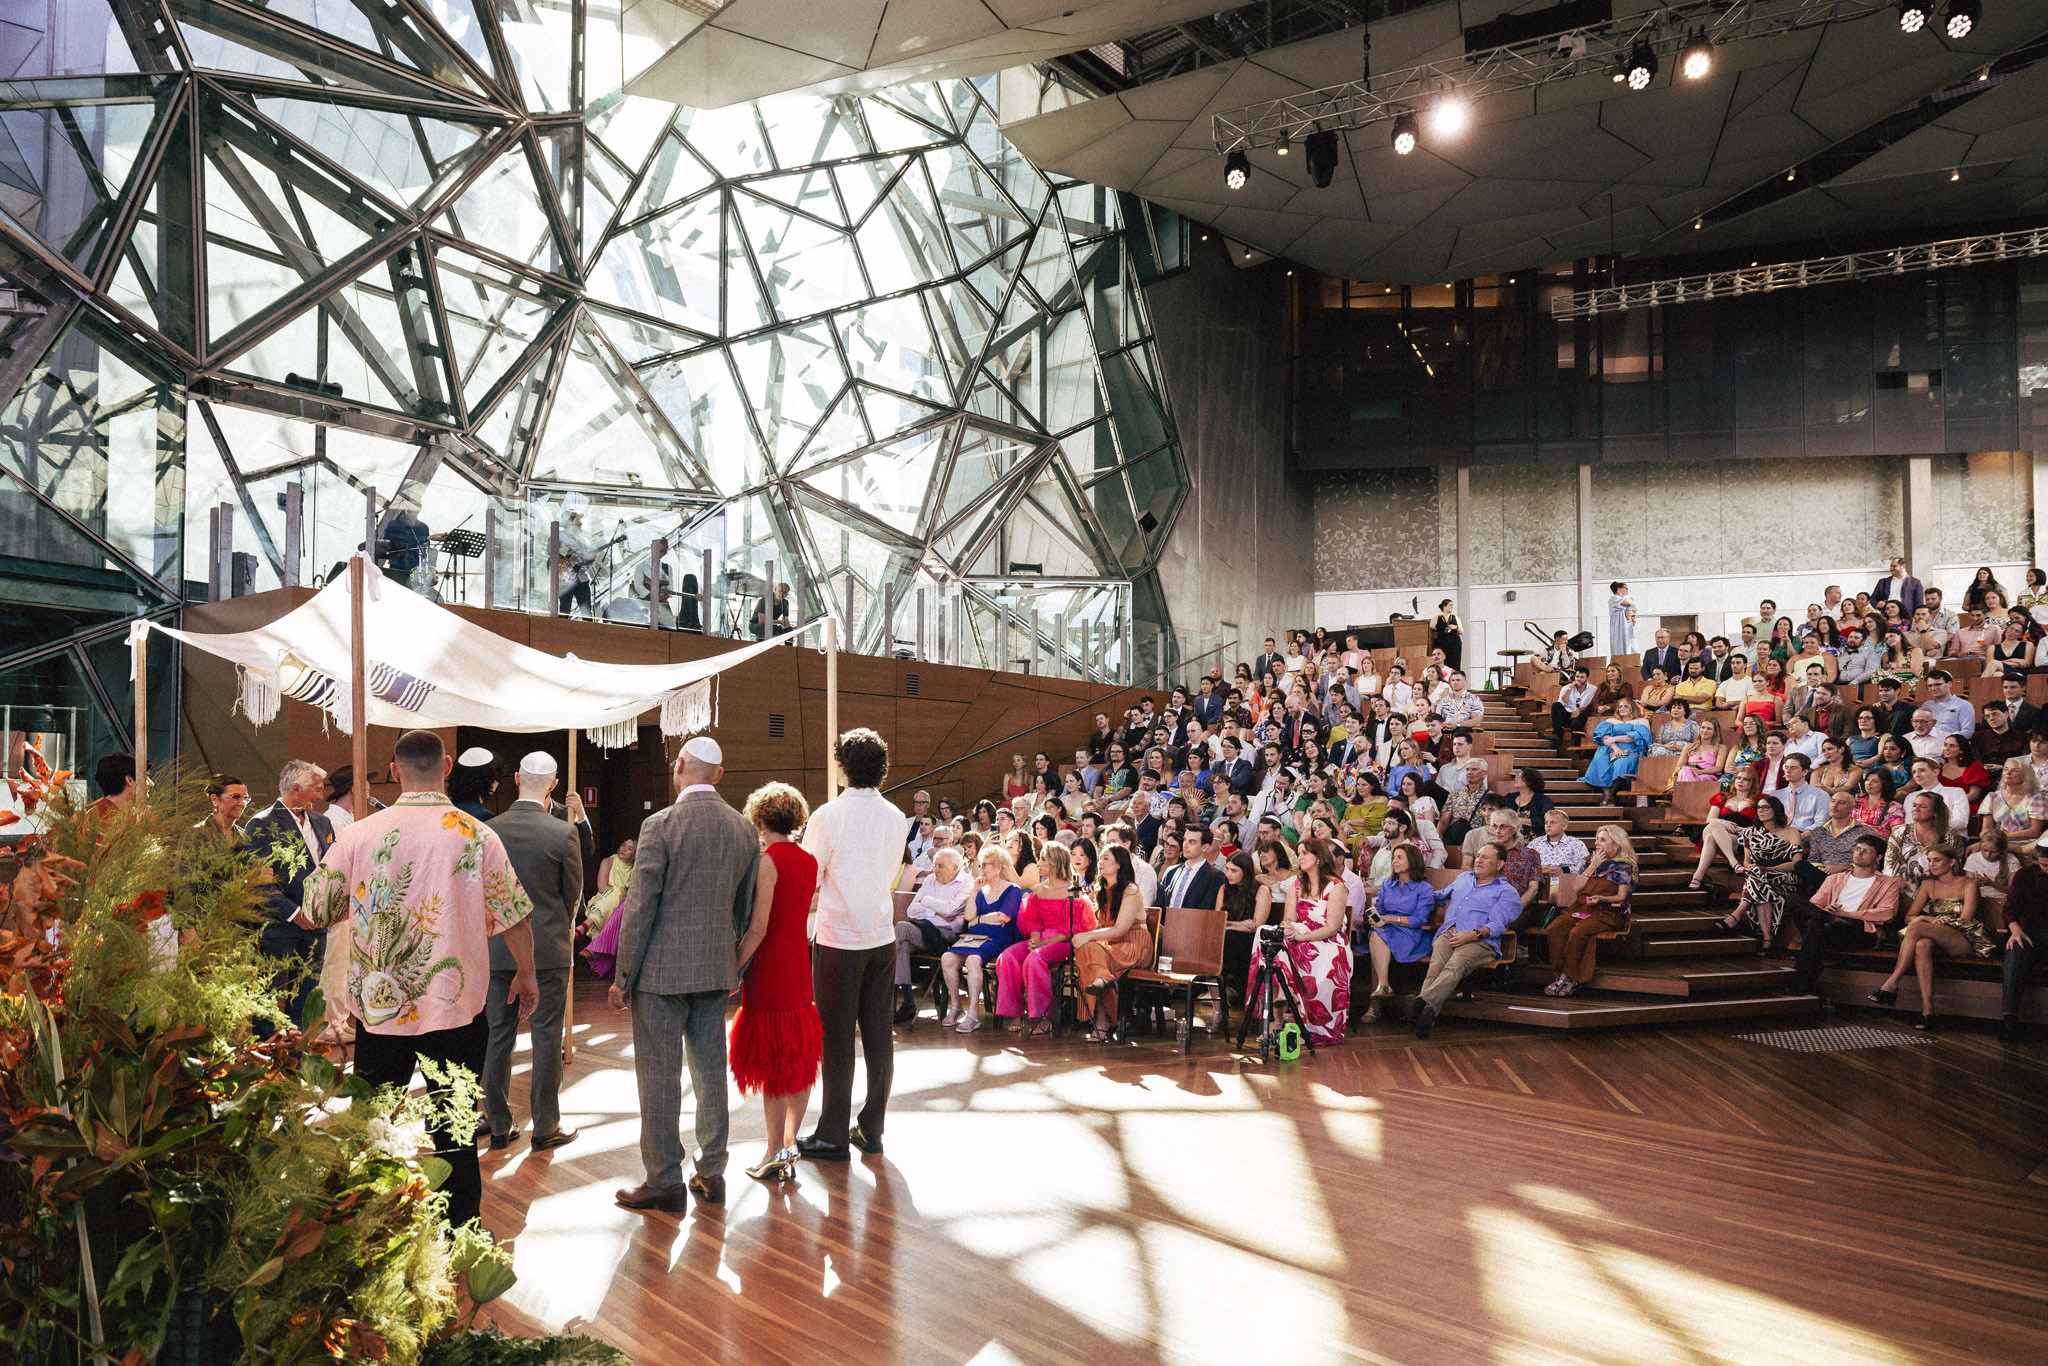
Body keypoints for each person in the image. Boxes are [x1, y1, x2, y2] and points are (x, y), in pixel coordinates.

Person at [296, 730, 537, 1230]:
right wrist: (528, 976)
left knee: (373, 1122)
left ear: (394, 770)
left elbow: (317, 908)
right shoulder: (477, 835)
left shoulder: (359, 834)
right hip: (455, 1008)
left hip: (379, 1009)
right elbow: (514, 915)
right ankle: (459, 1229)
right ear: (446, 766)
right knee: (455, 1125)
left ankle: (369, 1223)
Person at [609, 736, 762, 1211]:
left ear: (679, 768)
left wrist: (622, 975)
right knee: (710, 1070)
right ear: (719, 774)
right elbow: (744, 907)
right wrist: (730, 960)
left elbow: (640, 907)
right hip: (715, 967)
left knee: (659, 1075)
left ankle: (663, 1179)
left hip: (659, 973)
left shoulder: (660, 825)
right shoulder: (742, 828)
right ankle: (712, 1171)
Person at [798, 729, 908, 1162]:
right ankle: (872, 1127)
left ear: (842, 767)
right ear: (882, 769)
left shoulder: (828, 815)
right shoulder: (896, 816)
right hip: (881, 934)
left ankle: (831, 1134)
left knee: (836, 1037)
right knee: (880, 1034)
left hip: (840, 938)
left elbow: (809, 878)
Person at [478, 752, 584, 1153]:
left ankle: (498, 1123)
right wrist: (557, 928)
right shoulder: (563, 833)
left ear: (517, 778)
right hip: (548, 952)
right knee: (546, 1038)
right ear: (554, 785)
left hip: (497, 950)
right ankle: (546, 1124)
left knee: (497, 1037)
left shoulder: (489, 830)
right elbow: (572, 896)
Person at [728, 782, 821, 1185]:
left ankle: (773, 1151)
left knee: (774, 1065)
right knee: (797, 1059)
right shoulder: (809, 860)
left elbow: (758, 928)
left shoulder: (768, 863)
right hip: (798, 964)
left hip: (770, 968)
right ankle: (789, 1142)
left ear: (760, 819)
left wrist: (733, 968)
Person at [245, 759, 338, 1030]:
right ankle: (267, 1052)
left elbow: (332, 870)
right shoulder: (261, 823)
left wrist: (327, 908)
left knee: (306, 998)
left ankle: (300, 1051)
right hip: (279, 926)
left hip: (317, 925)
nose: (321, 796)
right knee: (269, 997)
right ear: (296, 789)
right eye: (317, 790)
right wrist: (295, 913)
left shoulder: (323, 823)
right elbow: (258, 883)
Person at [1866, 845, 1991, 1030]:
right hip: (1936, 934)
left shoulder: (1968, 883)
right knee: (1922, 944)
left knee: (1917, 927)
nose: (1931, 864)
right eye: (1929, 860)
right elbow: (1909, 916)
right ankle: (1928, 1012)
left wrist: (1935, 922)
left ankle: (1892, 982)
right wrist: (1930, 919)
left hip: (1964, 937)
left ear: (1952, 862)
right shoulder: (1928, 885)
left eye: (1937, 860)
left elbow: (1966, 919)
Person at [1409, 842, 1520, 1039]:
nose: (1479, 860)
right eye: (1478, 856)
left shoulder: (1507, 892)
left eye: (1486, 857)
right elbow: (1440, 895)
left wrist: (1473, 934)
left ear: (1500, 864)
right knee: (1435, 968)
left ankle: (1422, 1003)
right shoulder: (1463, 878)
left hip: (1480, 940)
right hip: (1450, 932)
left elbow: (1497, 925)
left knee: (1455, 965)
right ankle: (1425, 1018)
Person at [1251, 838, 1350, 1045]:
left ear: (1319, 857)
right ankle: (1276, 1016)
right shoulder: (1297, 884)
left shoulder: (1336, 886)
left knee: (1281, 950)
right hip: (1299, 936)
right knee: (1267, 937)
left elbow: (1332, 927)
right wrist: (1288, 928)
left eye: (1305, 853)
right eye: (1299, 853)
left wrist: (1303, 936)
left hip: (1328, 941)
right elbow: (1288, 919)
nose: (1300, 857)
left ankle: (1282, 1008)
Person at [993, 840, 1095, 1036]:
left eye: (1043, 859)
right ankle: (1014, 1012)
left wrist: (1042, 944)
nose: (1038, 863)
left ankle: (1044, 1016)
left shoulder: (1073, 889)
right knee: (1007, 957)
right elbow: (1032, 920)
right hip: (1040, 938)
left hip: (1063, 942)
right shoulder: (1039, 889)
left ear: (1055, 862)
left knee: (1034, 958)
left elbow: (1072, 928)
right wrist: (1034, 940)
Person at [1789, 834, 1901, 995]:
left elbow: (1888, 913)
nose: (1859, 853)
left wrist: (1847, 914)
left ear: (1878, 857)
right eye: (1857, 849)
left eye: (1866, 851)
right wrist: (1826, 911)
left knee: (1816, 922)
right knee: (1794, 900)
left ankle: (1803, 981)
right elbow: (1814, 906)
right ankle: (1805, 981)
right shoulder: (1834, 879)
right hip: (1827, 926)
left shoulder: (1888, 883)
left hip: (1859, 930)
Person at [1542, 825, 1638, 997]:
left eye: (1602, 840)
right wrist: (1593, 866)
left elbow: (1621, 896)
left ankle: (1568, 977)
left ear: (1616, 845)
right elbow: (1576, 887)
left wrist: (1602, 898)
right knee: (1555, 928)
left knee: (1578, 931)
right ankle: (1559, 974)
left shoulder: (1624, 866)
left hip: (1607, 911)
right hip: (1581, 908)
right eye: (1596, 839)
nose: (1596, 843)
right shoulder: (1589, 861)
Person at [1072, 845, 1153, 1042]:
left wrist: (1088, 935)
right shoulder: (1101, 889)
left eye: (1106, 858)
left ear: (1118, 864)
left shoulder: (1131, 890)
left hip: (1134, 944)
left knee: (1092, 954)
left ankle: (1102, 1020)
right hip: (1112, 946)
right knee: (1086, 950)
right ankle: (1104, 981)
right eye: (1100, 858)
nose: (1100, 862)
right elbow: (1101, 926)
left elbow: (1120, 930)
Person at [893, 847, 973, 1023]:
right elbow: (912, 910)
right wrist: (940, 912)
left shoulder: (967, 882)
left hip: (948, 936)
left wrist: (927, 902)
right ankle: (908, 1000)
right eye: (935, 865)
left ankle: (904, 1002)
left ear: (955, 867)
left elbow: (951, 910)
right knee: (901, 936)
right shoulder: (930, 879)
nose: (935, 870)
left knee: (900, 933)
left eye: (940, 866)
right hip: (924, 930)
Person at [1713, 794, 1803, 950]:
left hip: (1785, 877)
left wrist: (1768, 869)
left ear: (1776, 809)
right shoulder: (1751, 832)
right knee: (1759, 881)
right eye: (1759, 808)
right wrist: (1754, 869)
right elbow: (1747, 863)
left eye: (1765, 807)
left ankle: (1736, 915)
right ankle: (1767, 938)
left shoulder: (1791, 832)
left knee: (1756, 878)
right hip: (1759, 877)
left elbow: (1797, 864)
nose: (1761, 811)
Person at [1359, 844, 1435, 1023]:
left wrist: (1388, 919)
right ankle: (1383, 985)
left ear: (1413, 861)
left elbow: (1419, 920)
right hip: (1385, 930)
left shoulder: (1424, 888)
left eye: (1400, 857)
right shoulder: (1388, 884)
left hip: (1410, 934)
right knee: (1376, 935)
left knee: (1377, 940)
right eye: (1394, 858)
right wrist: (1375, 917)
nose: (1395, 861)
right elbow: (1379, 908)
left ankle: (1375, 1004)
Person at [1998, 838, 2047, 1040]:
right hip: (2031, 932)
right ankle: (2010, 1018)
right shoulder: (2025, 875)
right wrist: (2015, 929)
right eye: (2044, 865)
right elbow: (2010, 908)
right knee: (2015, 949)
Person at [1583, 698, 1650, 803]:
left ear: (1633, 708)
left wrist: (1614, 738)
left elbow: (1635, 737)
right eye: (1620, 707)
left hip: (1630, 749)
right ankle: (1608, 796)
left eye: (1626, 706)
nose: (1622, 708)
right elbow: (1604, 737)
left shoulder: (1642, 721)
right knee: (1600, 759)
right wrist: (1615, 747)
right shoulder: (1611, 721)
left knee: (1622, 763)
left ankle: (1610, 796)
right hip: (1609, 748)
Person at [194, 773, 249, 846]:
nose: (242, 804)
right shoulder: (195, 835)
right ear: (214, 799)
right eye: (235, 797)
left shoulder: (245, 836)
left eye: (245, 798)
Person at [1431, 599, 1464, 671]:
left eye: (1452, 605)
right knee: (1442, 663)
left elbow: (1461, 631)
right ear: (1444, 606)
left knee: (1455, 662)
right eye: (1450, 605)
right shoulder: (1437, 617)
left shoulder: (1455, 617)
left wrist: (1456, 627)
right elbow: (1431, 626)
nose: (1452, 607)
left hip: (1454, 643)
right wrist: (1438, 616)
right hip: (1441, 643)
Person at [1607, 581, 1635, 655]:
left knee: (1629, 646)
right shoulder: (1614, 598)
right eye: (1625, 589)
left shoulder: (1624, 598)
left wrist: (1633, 616)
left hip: (1627, 626)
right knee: (1619, 646)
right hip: (1618, 627)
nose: (1626, 591)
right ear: (1618, 589)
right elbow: (1628, 602)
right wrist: (1632, 599)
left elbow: (1632, 609)